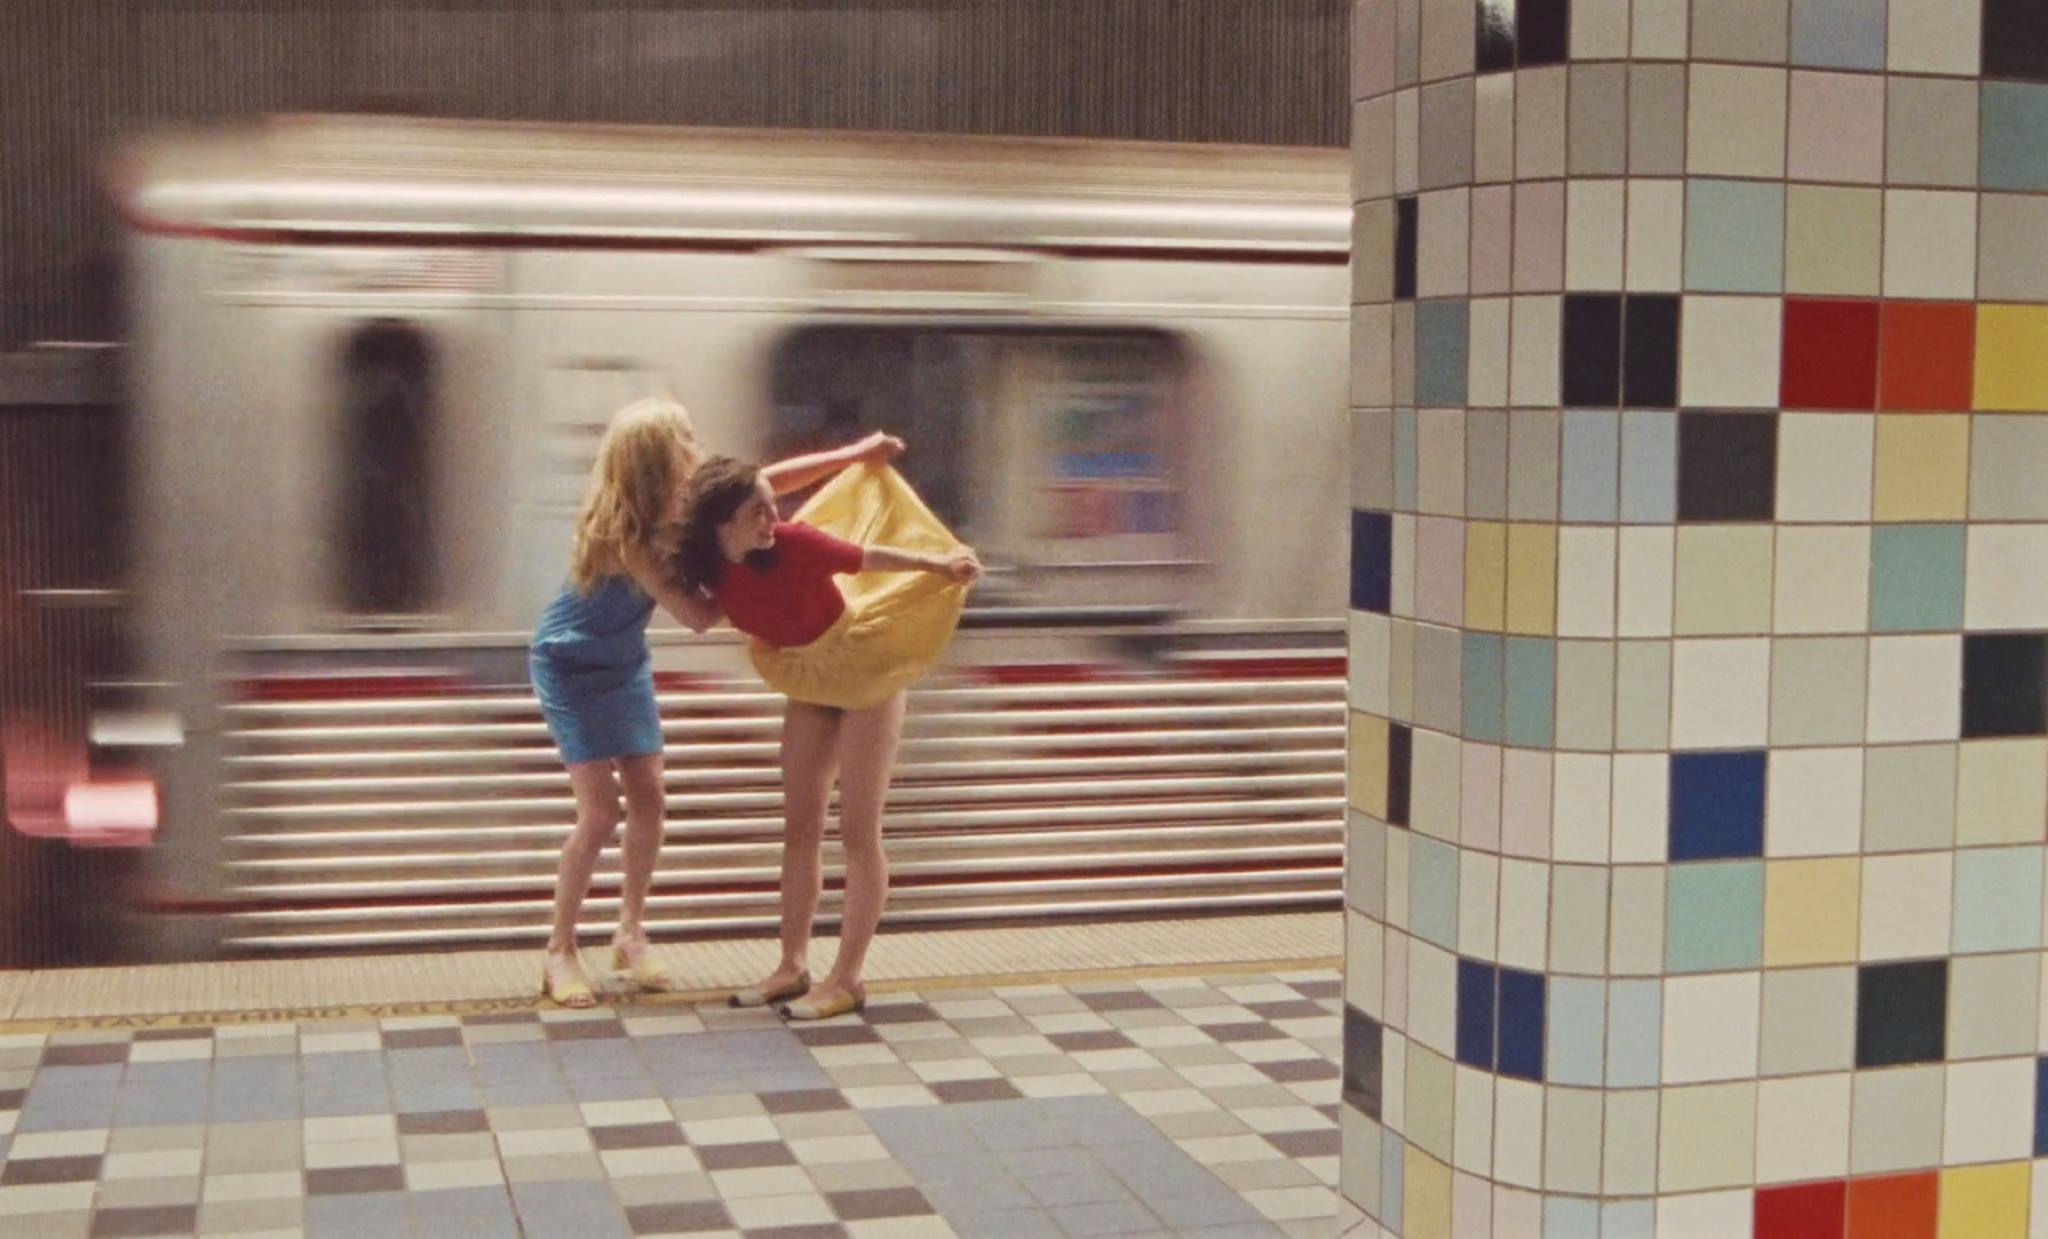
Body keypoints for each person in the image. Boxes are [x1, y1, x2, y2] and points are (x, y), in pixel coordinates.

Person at [529, 397, 901, 1008]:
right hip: (570, 664)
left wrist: (854, 456)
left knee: (649, 798)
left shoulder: (687, 505)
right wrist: (769, 575)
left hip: (622, 662)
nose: (695, 448)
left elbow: (767, 485)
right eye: (685, 441)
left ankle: (629, 934)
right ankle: (559, 949)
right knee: (600, 812)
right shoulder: (629, 538)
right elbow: (698, 615)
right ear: (658, 462)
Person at [674, 458, 979, 1019]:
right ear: (722, 522)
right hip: (808, 676)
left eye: (772, 506)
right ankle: (792, 965)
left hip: (864, 667)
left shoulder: (793, 542)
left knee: (858, 829)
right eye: (757, 510)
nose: (773, 517)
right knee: (801, 826)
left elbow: (871, 557)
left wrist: (942, 564)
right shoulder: (712, 573)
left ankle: (847, 977)